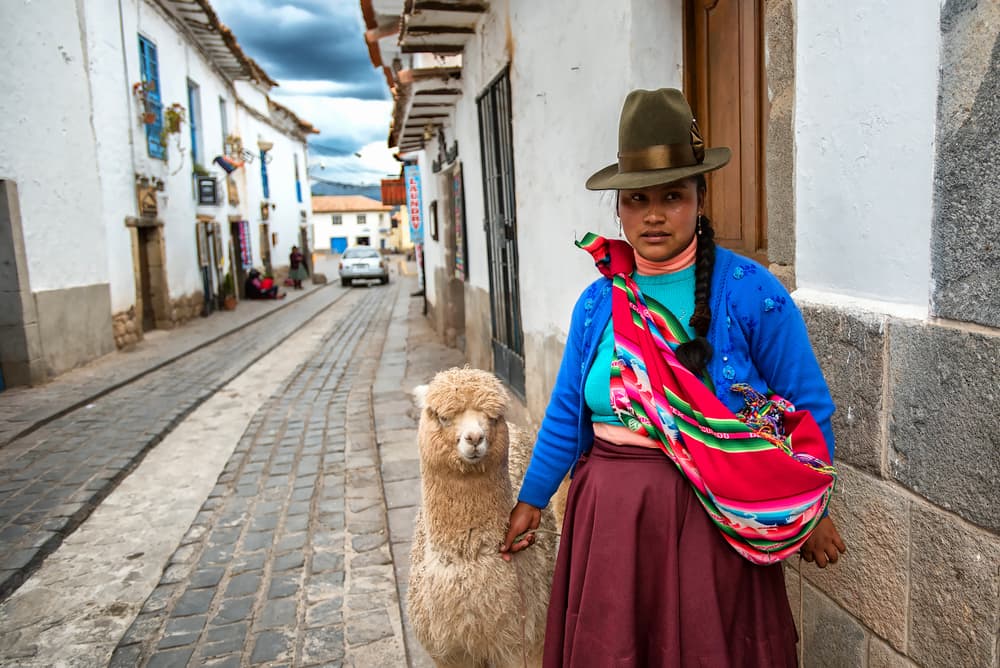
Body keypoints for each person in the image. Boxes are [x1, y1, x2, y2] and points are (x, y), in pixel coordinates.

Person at [500, 88, 846, 667]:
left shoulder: (749, 292)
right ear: (619, 209)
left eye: (672, 196)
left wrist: (809, 511)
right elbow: (567, 412)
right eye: (637, 199)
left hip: (719, 514)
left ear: (700, 197)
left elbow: (807, 402)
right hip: (613, 516)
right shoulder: (597, 303)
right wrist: (532, 500)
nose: (654, 214)